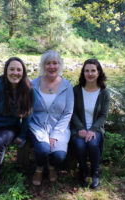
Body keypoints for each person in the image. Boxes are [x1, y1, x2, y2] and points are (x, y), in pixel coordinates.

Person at [29, 50, 74, 186]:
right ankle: (40, 167)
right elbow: (28, 109)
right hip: (37, 127)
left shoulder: (67, 86)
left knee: (59, 156)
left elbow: (68, 112)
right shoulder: (33, 84)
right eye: (48, 63)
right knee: (43, 149)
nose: (52, 66)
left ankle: (52, 165)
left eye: (55, 63)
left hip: (59, 127)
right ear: (43, 65)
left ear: (60, 65)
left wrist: (55, 134)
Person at [70, 59, 110, 189]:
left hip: (95, 129)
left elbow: (103, 115)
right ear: (83, 73)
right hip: (78, 128)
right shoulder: (76, 90)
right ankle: (83, 170)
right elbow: (72, 112)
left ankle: (95, 172)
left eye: (93, 70)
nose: (90, 73)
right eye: (87, 70)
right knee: (80, 144)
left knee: (93, 143)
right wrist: (80, 128)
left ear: (99, 72)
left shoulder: (104, 92)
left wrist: (92, 130)